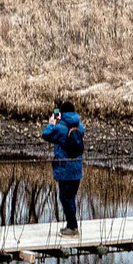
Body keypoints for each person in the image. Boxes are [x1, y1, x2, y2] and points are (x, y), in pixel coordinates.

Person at [41, 101, 84, 236]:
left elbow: (46, 135)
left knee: (65, 198)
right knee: (70, 198)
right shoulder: (79, 126)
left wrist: (52, 123)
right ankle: (72, 225)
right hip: (77, 169)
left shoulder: (60, 128)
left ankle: (72, 228)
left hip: (65, 170)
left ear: (62, 113)